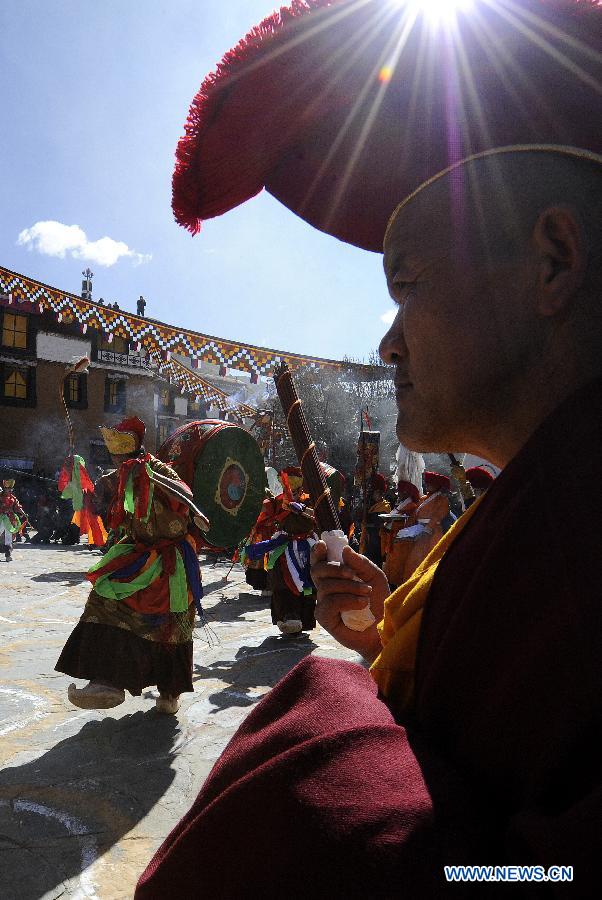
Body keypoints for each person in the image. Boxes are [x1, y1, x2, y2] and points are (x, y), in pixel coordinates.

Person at [135, 1, 602, 896]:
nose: (388, 344)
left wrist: (333, 743)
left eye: (408, 284)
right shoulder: (537, 513)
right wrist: (390, 637)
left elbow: (530, 875)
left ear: (553, 260)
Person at [56, 416, 209, 714]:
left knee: (173, 627)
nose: (115, 456)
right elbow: (94, 501)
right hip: (136, 554)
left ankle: (170, 693)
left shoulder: (160, 471)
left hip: (172, 561)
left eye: (119, 450)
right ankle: (108, 682)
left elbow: (185, 500)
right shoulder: (117, 477)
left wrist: (151, 480)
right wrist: (76, 473)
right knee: (104, 600)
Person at [244, 466, 318, 636]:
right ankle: (286, 616)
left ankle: (303, 618)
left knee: (308, 582)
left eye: (295, 486)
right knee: (281, 580)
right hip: (284, 546)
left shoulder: (309, 500)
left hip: (306, 547)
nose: (292, 489)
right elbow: (262, 513)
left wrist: (301, 509)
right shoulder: (278, 501)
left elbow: (317, 517)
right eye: (289, 486)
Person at [0, 478, 27, 562]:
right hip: (1, 517)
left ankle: (8, 555)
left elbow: (18, 507)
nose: (8, 490)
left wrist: (23, 513)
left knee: (8, 536)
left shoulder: (13, 498)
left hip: (10, 519)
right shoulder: (0, 497)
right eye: (6, 488)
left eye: (10, 489)